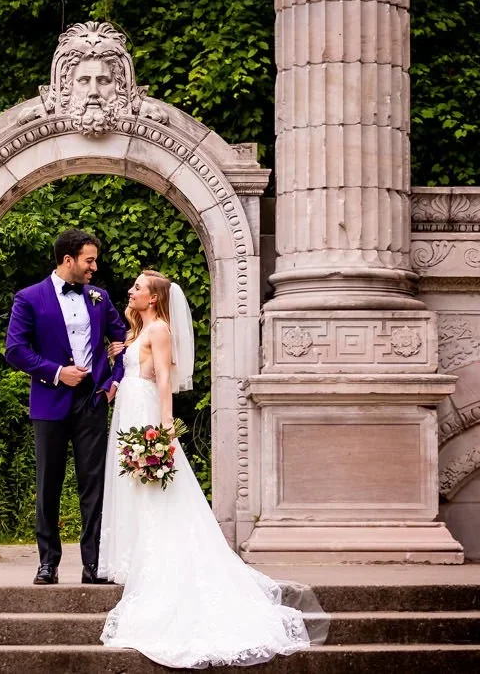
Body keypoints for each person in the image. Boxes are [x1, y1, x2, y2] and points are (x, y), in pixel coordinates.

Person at [99, 270, 323, 668]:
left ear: (153, 298)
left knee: (155, 488)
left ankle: (157, 564)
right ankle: (136, 556)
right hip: (128, 409)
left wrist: (165, 428)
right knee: (134, 486)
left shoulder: (161, 330)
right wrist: (122, 353)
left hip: (146, 413)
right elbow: (141, 369)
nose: (130, 291)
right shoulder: (139, 331)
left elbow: (165, 379)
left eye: (138, 288)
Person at [3, 227, 130, 585]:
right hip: (49, 400)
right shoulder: (29, 298)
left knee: (94, 483)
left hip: (92, 400)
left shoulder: (99, 297)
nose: (93, 267)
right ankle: (48, 562)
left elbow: (123, 337)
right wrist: (57, 372)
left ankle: (94, 565)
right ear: (68, 259)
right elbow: (15, 350)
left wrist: (113, 381)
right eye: (89, 261)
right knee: (49, 483)